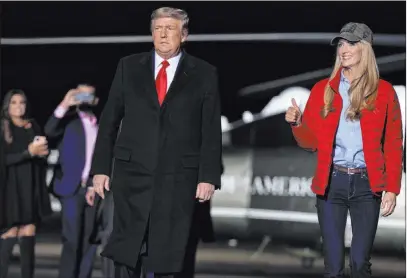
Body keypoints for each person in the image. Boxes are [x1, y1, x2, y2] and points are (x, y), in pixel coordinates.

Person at [90, 6, 222, 278]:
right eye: (158, 29)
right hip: (132, 176)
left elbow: (210, 130)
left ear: (184, 35)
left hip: (178, 179)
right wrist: (101, 168)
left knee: (169, 253)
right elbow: (109, 122)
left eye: (170, 29)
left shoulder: (204, 73)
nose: (163, 35)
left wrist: (207, 176)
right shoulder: (128, 66)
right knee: (127, 251)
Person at [285, 22, 403, 277]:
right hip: (331, 184)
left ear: (365, 48)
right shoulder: (323, 90)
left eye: (350, 43)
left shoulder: (384, 92)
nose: (343, 49)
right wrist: (297, 123)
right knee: (333, 266)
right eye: (340, 44)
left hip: (366, 184)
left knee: (360, 263)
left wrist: (392, 188)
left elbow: (394, 143)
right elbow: (311, 143)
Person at [44, 85, 100, 278]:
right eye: (80, 94)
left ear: (95, 99)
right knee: (72, 239)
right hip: (71, 189)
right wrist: (65, 103)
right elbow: (49, 131)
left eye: (88, 94)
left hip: (94, 189)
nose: (84, 98)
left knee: (90, 240)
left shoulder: (102, 123)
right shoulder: (67, 121)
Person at [0, 89, 52, 278]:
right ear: (7, 105)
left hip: (30, 189)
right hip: (9, 190)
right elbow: (4, 160)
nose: (18, 106)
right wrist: (28, 153)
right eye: (14, 102)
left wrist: (42, 153)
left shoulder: (32, 126)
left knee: (28, 235)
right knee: (10, 235)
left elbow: (39, 157)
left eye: (22, 102)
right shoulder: (3, 127)